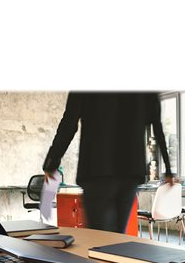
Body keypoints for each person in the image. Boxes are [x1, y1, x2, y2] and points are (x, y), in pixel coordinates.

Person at [43, 91, 174, 233]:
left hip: (96, 167)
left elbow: (69, 122)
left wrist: (52, 162)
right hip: (130, 169)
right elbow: (156, 124)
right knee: (118, 236)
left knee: (99, 237)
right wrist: (168, 169)